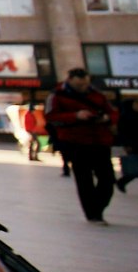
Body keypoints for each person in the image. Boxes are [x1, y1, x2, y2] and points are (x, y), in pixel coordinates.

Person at [48, 68, 118, 222]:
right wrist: (75, 116)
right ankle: (92, 213)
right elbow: (51, 117)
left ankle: (97, 207)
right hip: (75, 142)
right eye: (79, 84)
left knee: (107, 179)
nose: (83, 87)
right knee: (84, 179)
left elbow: (113, 112)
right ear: (70, 79)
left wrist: (107, 118)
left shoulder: (97, 94)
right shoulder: (57, 95)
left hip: (100, 140)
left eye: (85, 84)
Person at [116, 95, 138, 192]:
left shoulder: (136, 115)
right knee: (134, 169)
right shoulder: (124, 117)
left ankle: (122, 181)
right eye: (135, 104)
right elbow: (122, 132)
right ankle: (122, 181)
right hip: (131, 145)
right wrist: (127, 144)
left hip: (137, 144)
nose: (137, 105)